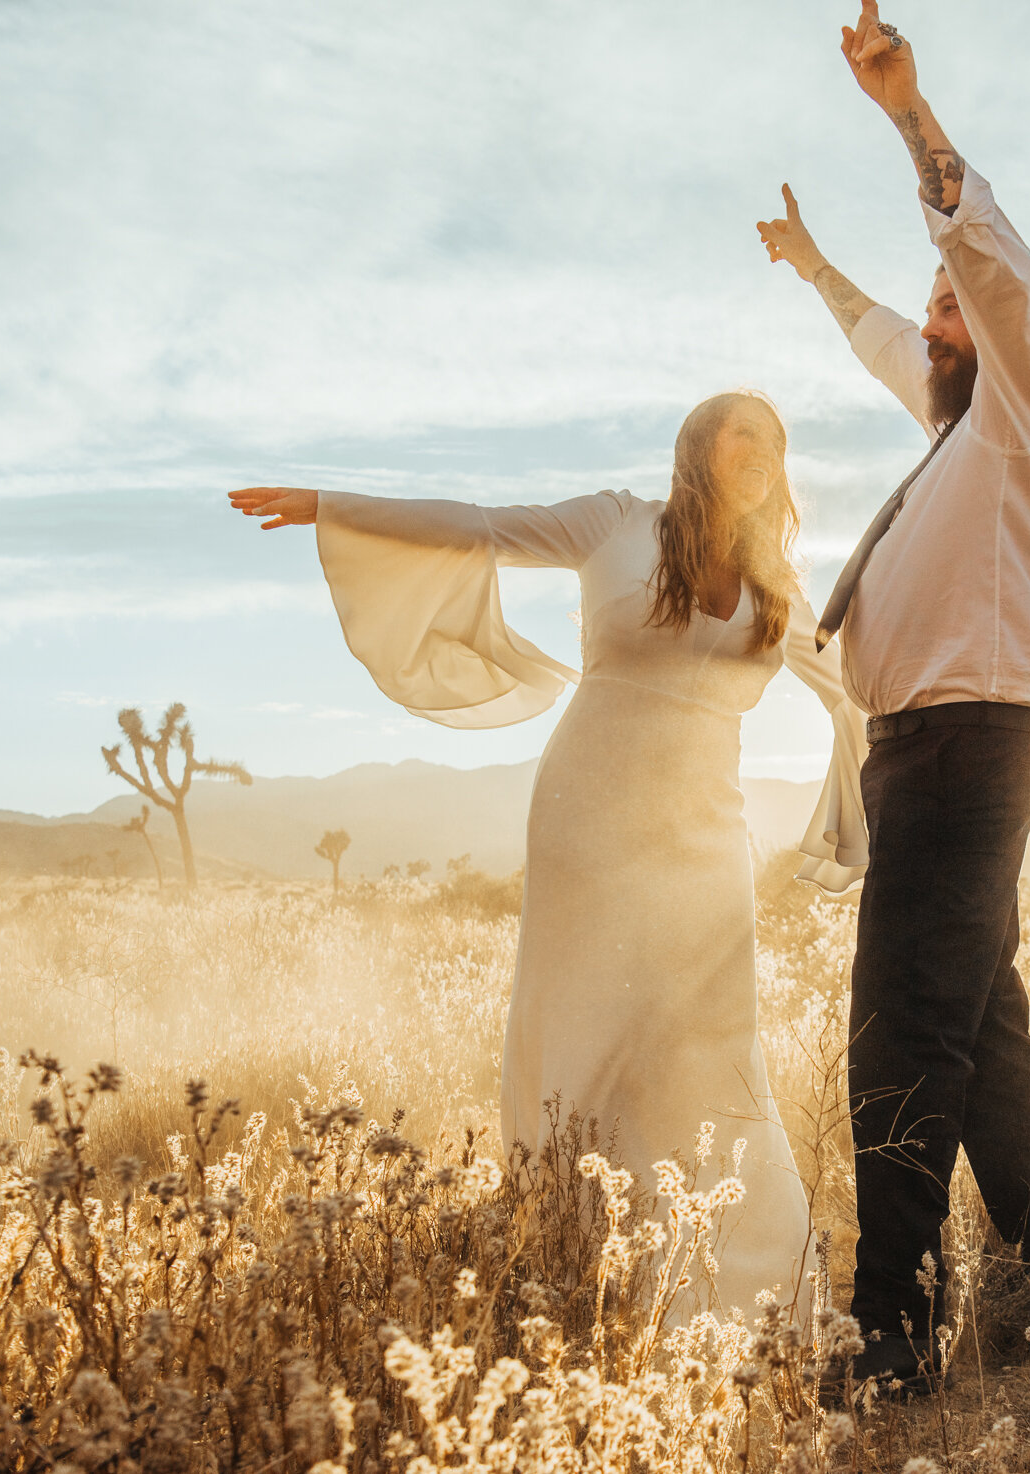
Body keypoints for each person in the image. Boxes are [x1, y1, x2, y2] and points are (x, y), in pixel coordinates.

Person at [227, 391, 868, 1321]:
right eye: (746, 428)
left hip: (705, 832)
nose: (766, 444)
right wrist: (332, 505)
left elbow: (856, 682)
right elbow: (479, 527)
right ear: (699, 447)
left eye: (778, 434)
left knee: (714, 1041)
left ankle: (743, 1278)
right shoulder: (613, 524)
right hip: (591, 815)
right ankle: (573, 1251)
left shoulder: (777, 582)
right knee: (585, 1025)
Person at [756, 0, 1030, 1391]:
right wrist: (813, 270)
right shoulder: (971, 425)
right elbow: (880, 339)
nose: (936, 318)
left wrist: (911, 118)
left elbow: (1002, 275)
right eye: (935, 313)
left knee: (900, 1022)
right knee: (981, 1032)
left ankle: (894, 1337)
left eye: (950, 306)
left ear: (1029, 340)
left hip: (972, 747)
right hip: (922, 753)